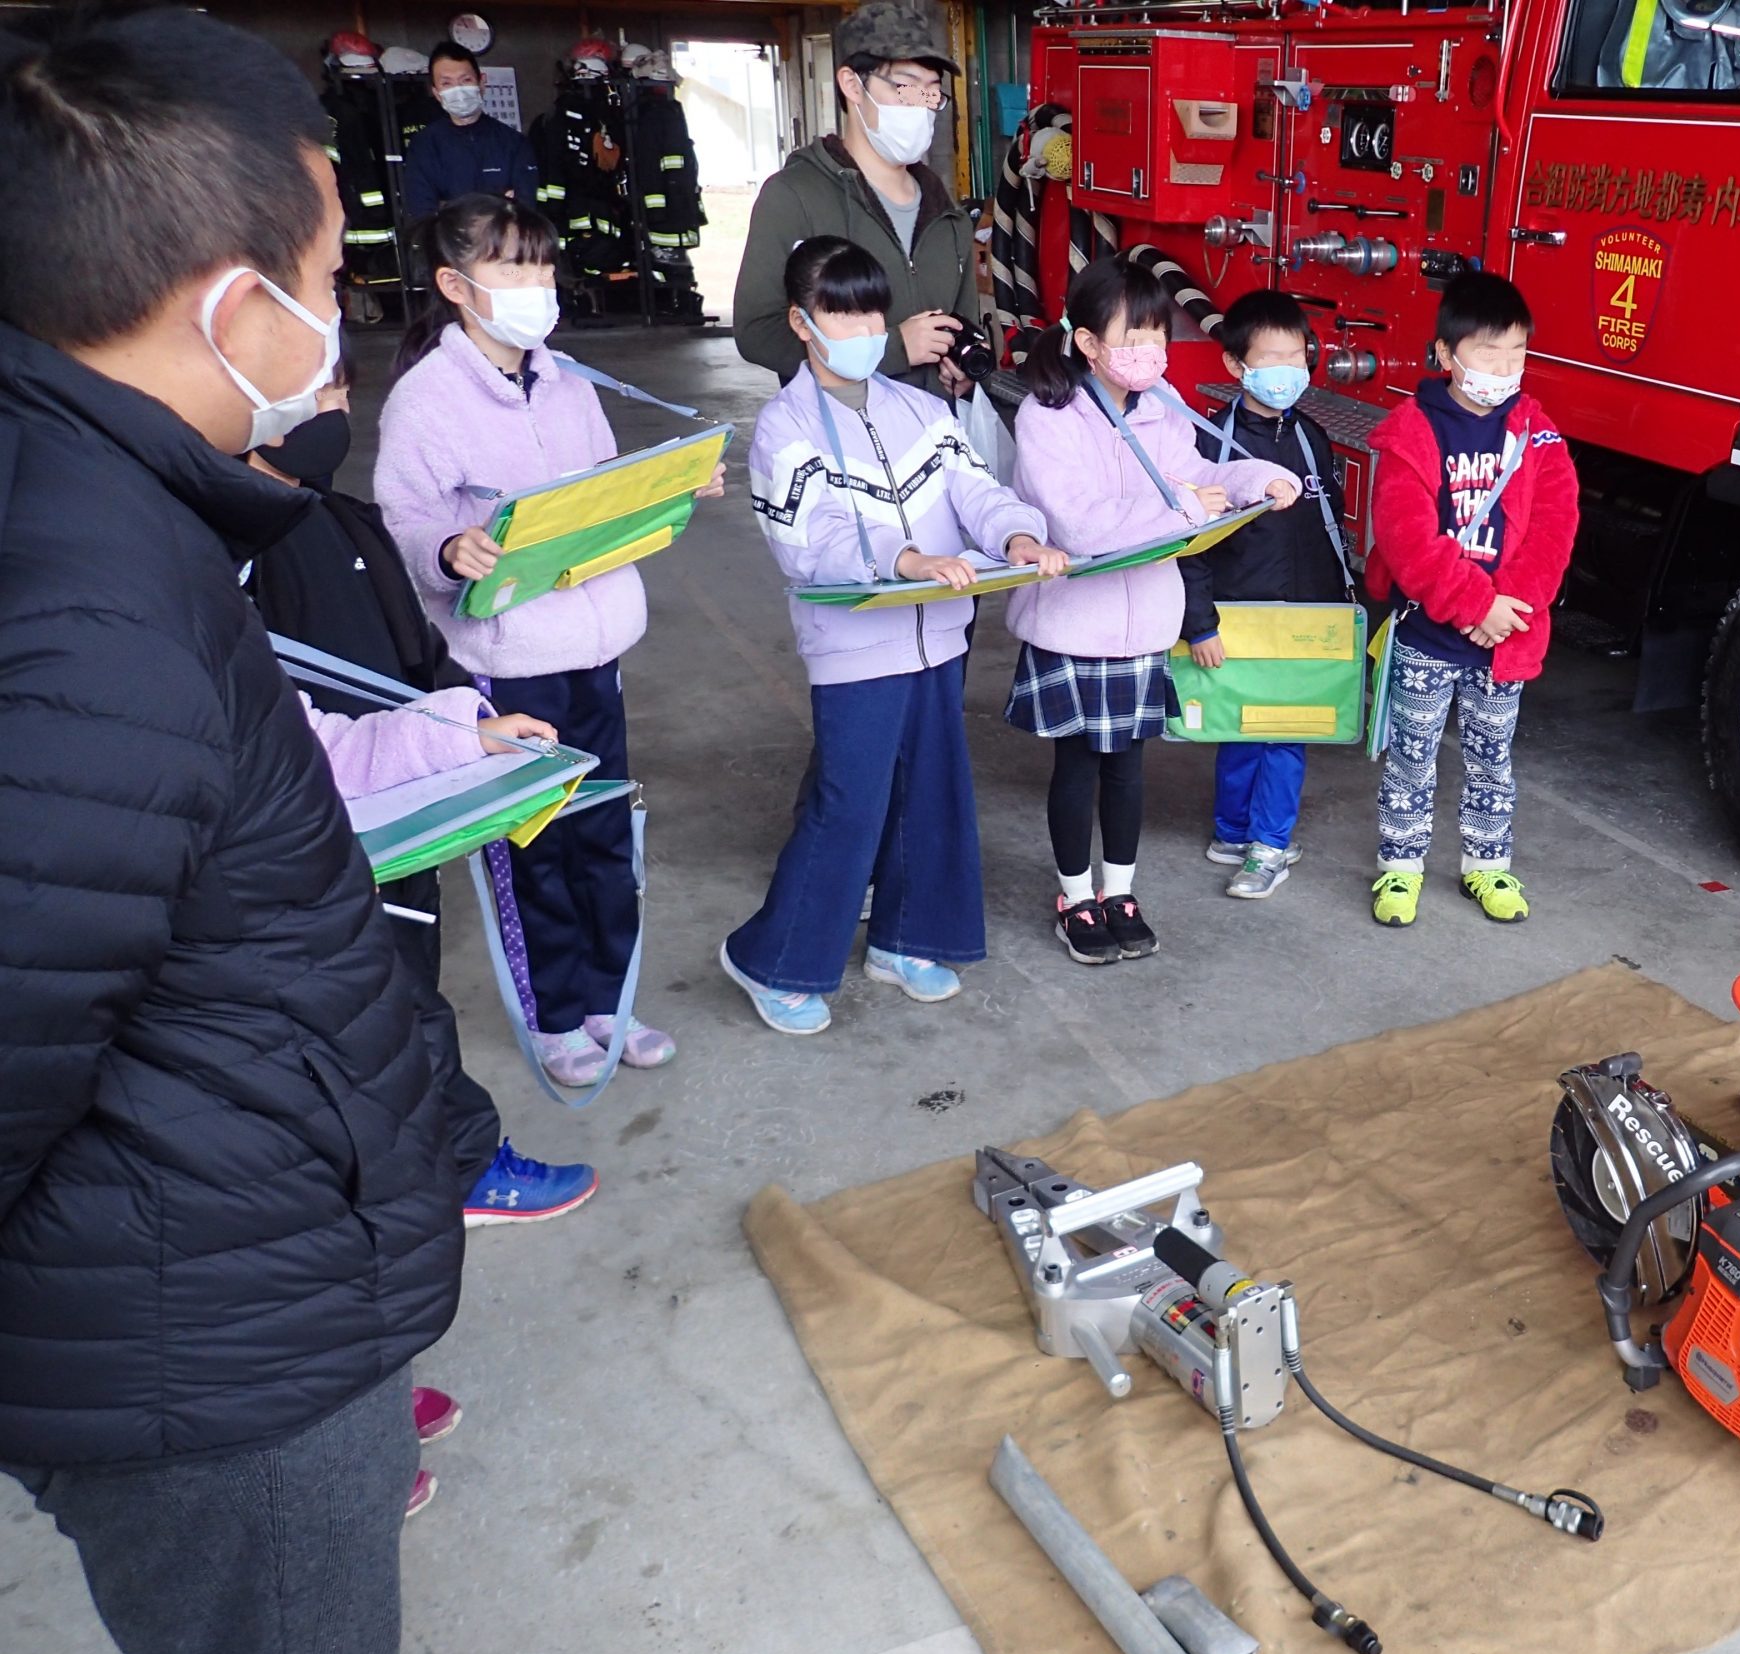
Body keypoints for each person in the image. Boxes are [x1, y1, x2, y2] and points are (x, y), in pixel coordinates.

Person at [0, 10, 491, 1654]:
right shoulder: (87, 620)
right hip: (208, 1351)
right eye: (326, 265)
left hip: (211, 1270)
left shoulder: (97, 502)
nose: (339, 316)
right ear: (231, 305)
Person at [245, 380, 603, 1229]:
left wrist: (468, 719)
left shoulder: (345, 518)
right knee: (396, 1006)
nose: (338, 401)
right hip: (334, 824)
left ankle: (428, 1167)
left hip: (413, 798)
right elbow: (304, 735)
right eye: (320, 385)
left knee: (411, 979)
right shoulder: (235, 555)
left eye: (339, 380)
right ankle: (464, 1165)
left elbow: (417, 650)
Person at [375, 194, 711, 1088]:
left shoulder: (564, 380)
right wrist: (448, 550)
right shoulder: (427, 399)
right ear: (455, 285)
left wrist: (668, 491)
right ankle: (556, 1014)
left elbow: (603, 492)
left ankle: (613, 996)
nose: (536, 285)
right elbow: (404, 520)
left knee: (603, 829)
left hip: (593, 655)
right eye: (512, 267)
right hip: (507, 666)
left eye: (543, 265)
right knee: (535, 843)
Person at [721, 238, 1066, 1032]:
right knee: (849, 803)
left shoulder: (921, 408)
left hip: (939, 635)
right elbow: (813, 538)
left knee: (930, 792)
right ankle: (770, 958)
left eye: (873, 310)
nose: (865, 328)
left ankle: (906, 940)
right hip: (855, 647)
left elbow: (975, 487)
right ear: (803, 323)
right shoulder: (783, 427)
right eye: (843, 312)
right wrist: (906, 556)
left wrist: (1015, 536)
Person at [1007, 258, 1300, 964]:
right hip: (1074, 624)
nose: (1149, 354)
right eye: (1133, 338)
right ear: (1087, 343)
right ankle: (1075, 898)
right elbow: (1078, 524)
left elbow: (1202, 476)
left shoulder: (1160, 408)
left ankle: (1121, 891)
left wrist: (1258, 476)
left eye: (1157, 339)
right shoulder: (1047, 416)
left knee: (1128, 768)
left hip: (1143, 626)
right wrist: (1179, 506)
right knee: (1077, 766)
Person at [1364, 270, 1580, 928]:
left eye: (1518, 354)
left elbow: (1556, 521)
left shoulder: (1535, 432)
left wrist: (1510, 605)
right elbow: (1406, 541)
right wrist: (1472, 604)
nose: (1506, 369)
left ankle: (1486, 865)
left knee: (1493, 761)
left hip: (1503, 637)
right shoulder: (1410, 432)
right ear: (1445, 354)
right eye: (1490, 354)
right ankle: (1399, 868)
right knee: (1412, 758)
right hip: (1430, 635)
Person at [1181, 290, 1350, 900]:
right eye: (1271, 358)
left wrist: (1340, 617)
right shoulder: (1209, 444)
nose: (1287, 372)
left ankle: (1267, 846)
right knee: (1241, 728)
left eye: (1297, 357)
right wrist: (1199, 623)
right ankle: (1233, 833)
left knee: (1284, 730)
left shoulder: (1312, 437)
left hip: (1306, 616)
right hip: (1238, 616)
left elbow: (1329, 528)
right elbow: (1188, 544)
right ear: (1236, 366)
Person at [732, 4, 978, 397]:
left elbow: (966, 322)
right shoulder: (794, 197)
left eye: (932, 92)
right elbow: (757, 332)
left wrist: (965, 366)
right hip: (839, 441)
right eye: (907, 87)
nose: (924, 105)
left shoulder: (947, 213)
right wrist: (892, 348)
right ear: (851, 84)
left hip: (935, 438)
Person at [402, 37, 540, 218]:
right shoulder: (424, 146)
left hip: (502, 245)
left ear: (481, 82)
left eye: (465, 80)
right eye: (446, 83)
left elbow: (524, 210)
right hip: (448, 246)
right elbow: (423, 214)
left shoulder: (513, 143)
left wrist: (448, 208)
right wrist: (498, 206)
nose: (457, 90)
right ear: (436, 93)